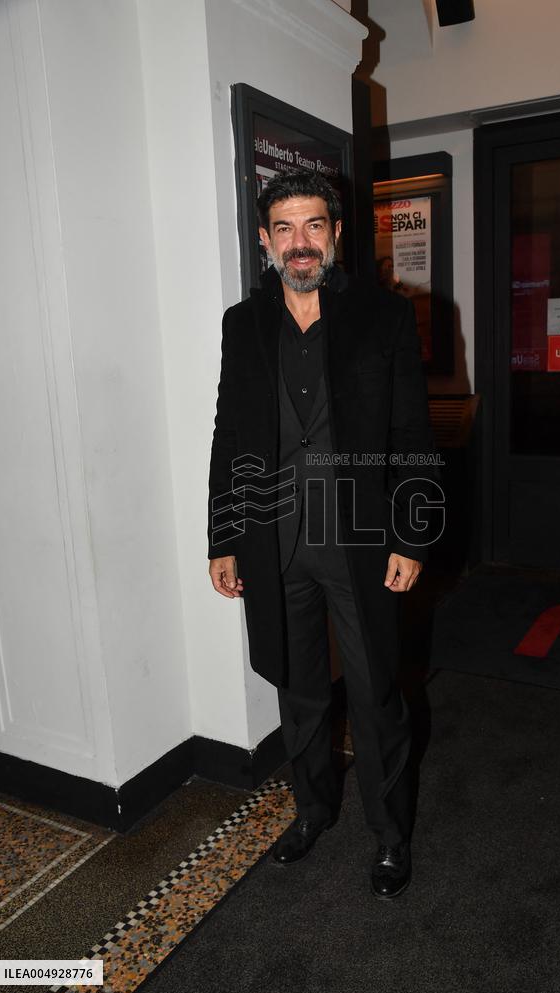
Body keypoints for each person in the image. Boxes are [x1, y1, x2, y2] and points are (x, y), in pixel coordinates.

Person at [208, 168, 440, 899]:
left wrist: (411, 536)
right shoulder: (242, 325)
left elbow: (412, 432)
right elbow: (228, 435)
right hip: (273, 540)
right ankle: (311, 811)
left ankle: (391, 835)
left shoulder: (383, 316)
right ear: (265, 239)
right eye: (284, 228)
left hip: (360, 541)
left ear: (336, 233)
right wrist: (223, 536)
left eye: (313, 225)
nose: (299, 242)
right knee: (299, 690)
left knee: (375, 693)